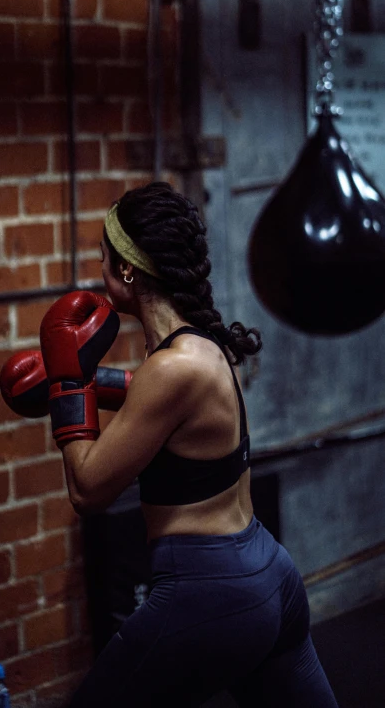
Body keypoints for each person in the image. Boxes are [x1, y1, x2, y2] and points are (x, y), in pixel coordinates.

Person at [38, 182, 339, 707]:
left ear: (128, 270)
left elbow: (87, 490)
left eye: (105, 256)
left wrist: (67, 383)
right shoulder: (201, 346)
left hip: (208, 592)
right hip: (268, 574)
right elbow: (149, 406)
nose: (100, 266)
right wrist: (78, 383)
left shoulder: (170, 370)